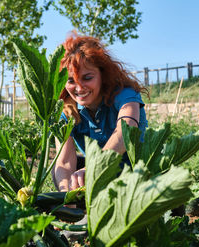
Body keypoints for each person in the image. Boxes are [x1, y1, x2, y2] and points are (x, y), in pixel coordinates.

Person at [53, 34, 149, 192]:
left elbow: (125, 133)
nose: (79, 87)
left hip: (136, 171)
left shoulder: (125, 95)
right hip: (98, 174)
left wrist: (94, 167)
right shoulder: (66, 111)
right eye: (71, 81)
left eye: (87, 78)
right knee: (61, 172)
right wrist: (67, 198)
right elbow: (64, 162)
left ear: (102, 75)